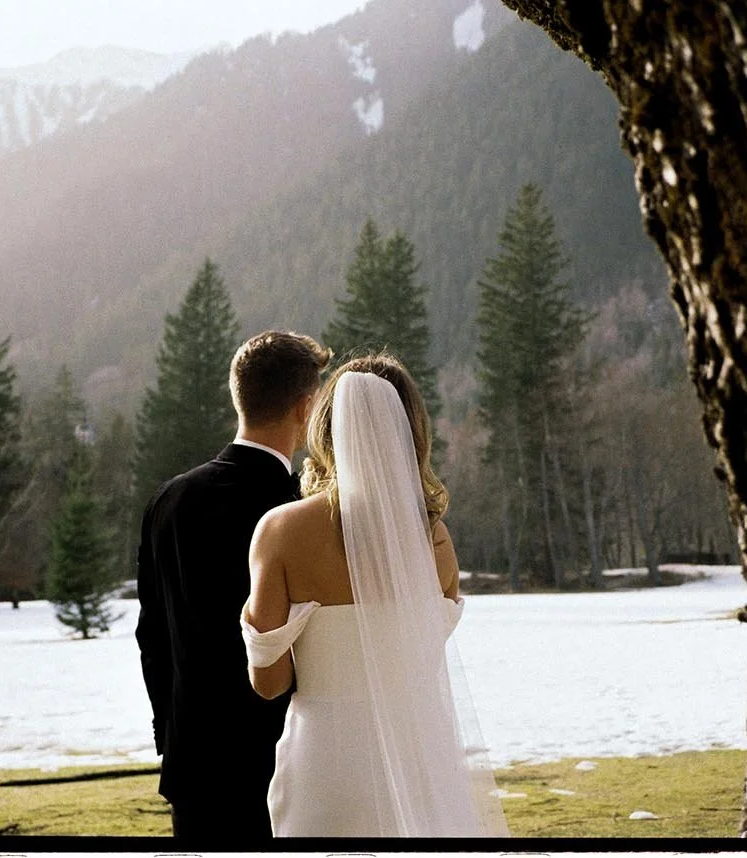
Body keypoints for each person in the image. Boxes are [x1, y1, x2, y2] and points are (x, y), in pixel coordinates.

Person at [241, 354, 510, 837]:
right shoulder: (435, 541)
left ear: (328, 430)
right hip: (420, 761)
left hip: (325, 767)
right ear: (412, 433)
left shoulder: (280, 531)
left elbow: (269, 683)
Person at [135, 330, 331, 842]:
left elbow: (152, 638)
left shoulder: (169, 501)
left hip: (194, 767)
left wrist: (171, 739)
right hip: (284, 763)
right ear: (306, 407)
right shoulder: (303, 513)